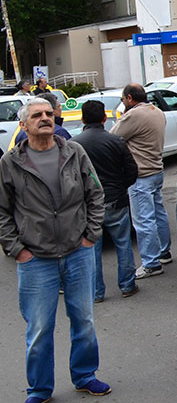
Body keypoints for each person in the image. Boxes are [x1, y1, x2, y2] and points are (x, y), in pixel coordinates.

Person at [0, 96, 112, 401]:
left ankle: (85, 375)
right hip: (35, 259)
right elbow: (2, 212)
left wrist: (91, 235)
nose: (45, 118)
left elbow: (95, 195)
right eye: (37, 115)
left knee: (84, 320)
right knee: (38, 330)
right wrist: (17, 249)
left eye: (49, 113)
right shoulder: (10, 163)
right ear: (23, 125)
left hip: (78, 252)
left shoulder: (74, 152)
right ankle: (39, 389)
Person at [74, 100, 139, 303]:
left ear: (82, 118)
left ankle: (96, 292)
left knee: (91, 249)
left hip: (87, 205)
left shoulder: (74, 145)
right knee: (123, 244)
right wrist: (121, 188)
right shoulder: (116, 141)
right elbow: (132, 171)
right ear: (104, 118)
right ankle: (127, 285)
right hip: (116, 200)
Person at [112, 84, 170, 279]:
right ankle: (163, 252)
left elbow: (113, 136)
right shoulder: (157, 111)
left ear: (129, 98)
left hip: (140, 173)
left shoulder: (134, 115)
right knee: (159, 213)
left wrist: (120, 114)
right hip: (156, 169)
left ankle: (151, 263)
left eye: (122, 100)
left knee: (144, 220)